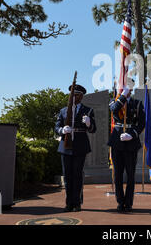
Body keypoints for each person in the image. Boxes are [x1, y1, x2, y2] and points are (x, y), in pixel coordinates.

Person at [55, 84, 96, 212]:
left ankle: (77, 203)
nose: (73, 97)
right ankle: (69, 203)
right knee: (67, 175)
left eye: (76, 95)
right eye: (72, 94)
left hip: (80, 144)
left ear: (81, 96)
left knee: (77, 175)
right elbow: (56, 128)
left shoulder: (88, 110)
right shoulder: (63, 111)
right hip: (65, 145)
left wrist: (89, 123)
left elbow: (93, 129)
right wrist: (62, 130)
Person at [108, 85, 145, 213]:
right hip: (117, 140)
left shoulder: (138, 104)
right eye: (122, 88)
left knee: (130, 174)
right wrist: (122, 97)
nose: (125, 90)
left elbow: (141, 123)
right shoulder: (114, 101)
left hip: (131, 141)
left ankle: (128, 203)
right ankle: (120, 201)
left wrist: (132, 134)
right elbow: (114, 109)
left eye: (127, 89)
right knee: (117, 174)